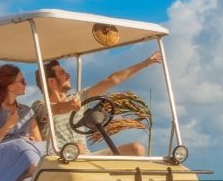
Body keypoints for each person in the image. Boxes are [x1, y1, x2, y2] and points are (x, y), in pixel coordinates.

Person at [33, 52, 161, 156]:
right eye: (62, 73)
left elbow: (112, 80)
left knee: (136, 149)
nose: (68, 75)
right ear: (51, 82)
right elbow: (55, 109)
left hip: (85, 156)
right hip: (59, 158)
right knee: (79, 147)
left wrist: (146, 63)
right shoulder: (39, 105)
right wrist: (69, 105)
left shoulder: (79, 97)